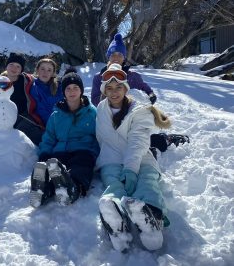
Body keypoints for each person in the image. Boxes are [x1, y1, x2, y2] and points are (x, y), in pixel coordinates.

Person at [96, 64, 171, 252]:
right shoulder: (101, 108)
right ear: (104, 90)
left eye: (118, 87)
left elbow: (138, 141)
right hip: (111, 158)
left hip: (141, 156)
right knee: (113, 183)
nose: (114, 92)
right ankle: (115, 215)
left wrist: (130, 168)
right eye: (109, 88)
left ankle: (151, 216)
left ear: (125, 88)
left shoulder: (140, 110)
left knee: (147, 181)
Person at [91, 33, 188, 156]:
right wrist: (107, 95)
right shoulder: (99, 78)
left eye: (119, 55)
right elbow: (94, 100)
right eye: (113, 55)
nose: (116, 58)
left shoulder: (133, 76)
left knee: (141, 138)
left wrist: (150, 94)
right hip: (109, 117)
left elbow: (144, 87)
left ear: (124, 58)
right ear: (108, 57)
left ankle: (163, 140)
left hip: (131, 116)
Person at [29, 68, 99, 208]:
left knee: (80, 167)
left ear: (81, 90)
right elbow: (49, 137)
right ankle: (44, 191)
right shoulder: (56, 115)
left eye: (75, 88)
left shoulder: (92, 113)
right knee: (52, 166)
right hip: (60, 151)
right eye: (68, 88)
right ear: (63, 92)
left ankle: (74, 189)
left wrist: (95, 154)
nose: (72, 91)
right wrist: (44, 154)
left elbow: (100, 136)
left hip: (83, 150)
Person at [2, 52, 44, 145]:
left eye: (18, 66)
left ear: (21, 70)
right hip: (4, 116)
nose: (14, 68)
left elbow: (43, 81)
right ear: (6, 66)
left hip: (24, 114)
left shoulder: (28, 80)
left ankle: (45, 149)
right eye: (11, 64)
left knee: (29, 129)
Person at [29, 58, 63, 127]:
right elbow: (40, 110)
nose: (45, 72)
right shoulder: (34, 88)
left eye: (49, 70)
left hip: (64, 121)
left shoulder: (59, 86)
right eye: (42, 69)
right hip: (49, 125)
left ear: (53, 73)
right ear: (37, 70)